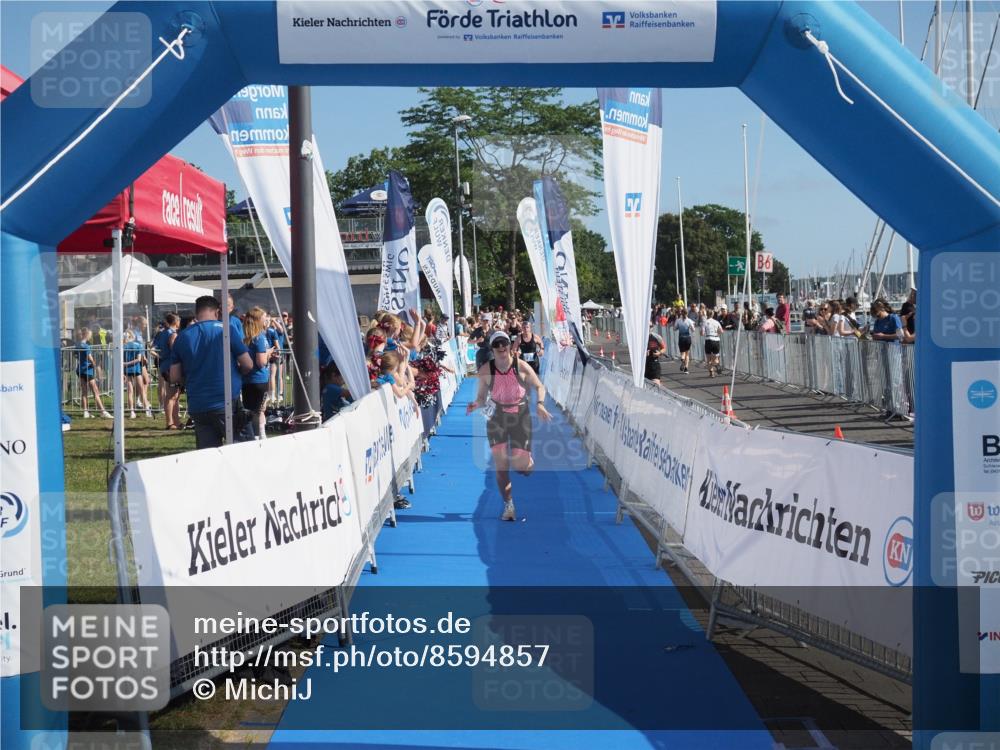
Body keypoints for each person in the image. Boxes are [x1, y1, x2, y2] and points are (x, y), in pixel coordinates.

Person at [466, 331, 552, 522]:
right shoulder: (486, 371)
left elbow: (539, 386)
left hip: (520, 417)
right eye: (497, 344)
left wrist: (539, 404)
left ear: (509, 344)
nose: (501, 347)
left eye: (504, 342)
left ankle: (528, 464)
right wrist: (476, 404)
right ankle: (509, 505)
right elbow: (481, 397)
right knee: (501, 466)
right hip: (496, 418)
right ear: (492, 348)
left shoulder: (521, 366)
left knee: (521, 467)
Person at [170, 296, 253, 449]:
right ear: (216, 312)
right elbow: (248, 364)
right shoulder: (227, 330)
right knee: (242, 453)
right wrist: (237, 372)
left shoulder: (182, 337)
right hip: (226, 402)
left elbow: (174, 376)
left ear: (196, 313)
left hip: (198, 405)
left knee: (207, 457)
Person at [242, 307, 273, 440]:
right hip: (259, 379)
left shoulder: (246, 338)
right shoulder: (259, 338)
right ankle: (260, 435)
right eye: (264, 317)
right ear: (258, 320)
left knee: (251, 410)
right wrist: (269, 353)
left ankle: (253, 435)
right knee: (259, 410)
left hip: (247, 380)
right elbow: (261, 362)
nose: (266, 320)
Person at [75, 327, 111, 419]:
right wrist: (95, 365)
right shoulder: (86, 346)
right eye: (90, 334)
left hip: (80, 369)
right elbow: (90, 358)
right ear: (86, 335)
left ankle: (85, 412)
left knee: (84, 392)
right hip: (88, 370)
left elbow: (75, 355)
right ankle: (103, 411)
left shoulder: (77, 344)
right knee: (95, 391)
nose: (91, 336)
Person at [123, 330, 146, 419]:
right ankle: (146, 409)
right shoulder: (138, 345)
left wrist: (125, 364)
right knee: (141, 390)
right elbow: (139, 359)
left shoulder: (123, 347)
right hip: (136, 369)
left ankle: (132, 411)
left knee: (130, 392)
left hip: (127, 370)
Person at [702, 311, 723, 377]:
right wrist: (717, 332)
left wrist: (702, 332)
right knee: (716, 358)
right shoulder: (717, 322)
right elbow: (721, 331)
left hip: (708, 340)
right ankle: (716, 364)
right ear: (713, 315)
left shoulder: (705, 322)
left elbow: (702, 333)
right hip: (716, 340)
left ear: (707, 315)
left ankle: (711, 373)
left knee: (708, 359)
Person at [673, 308, 695, 373]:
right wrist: (692, 326)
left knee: (682, 353)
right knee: (687, 354)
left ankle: (682, 360)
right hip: (688, 338)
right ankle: (686, 368)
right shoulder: (689, 321)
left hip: (681, 338)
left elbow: (674, 328)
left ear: (681, 313)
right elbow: (693, 330)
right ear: (687, 313)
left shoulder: (678, 320)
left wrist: (677, 327)